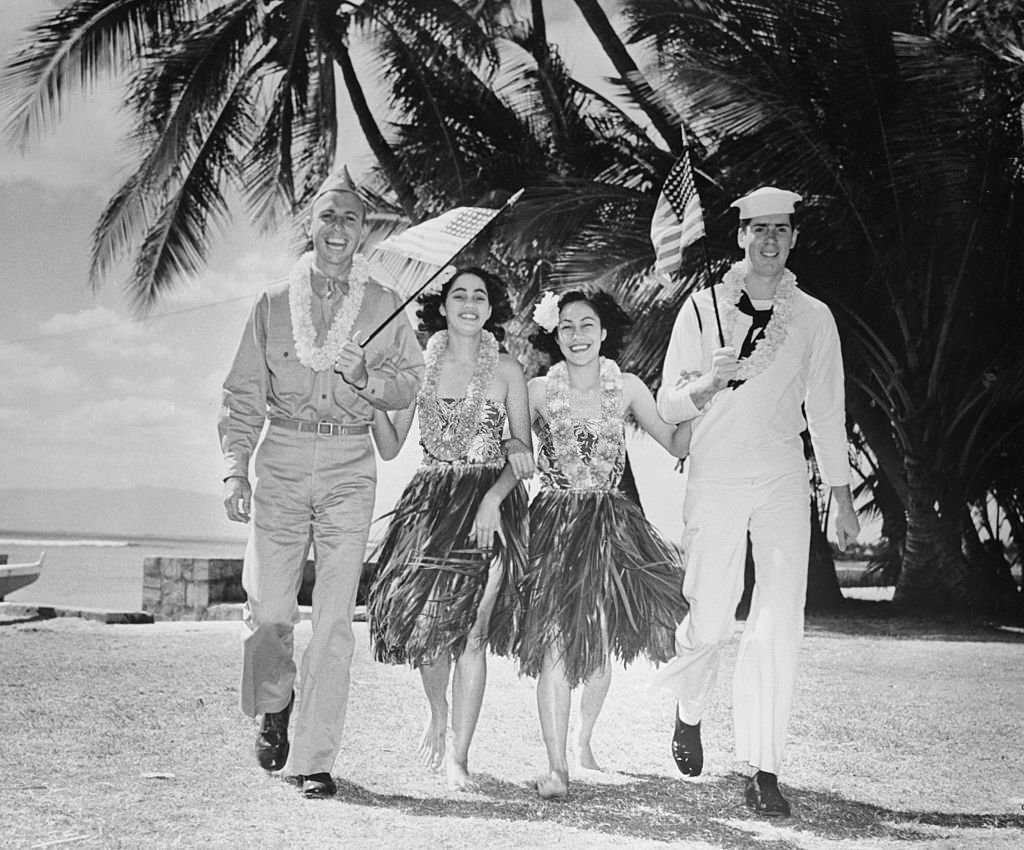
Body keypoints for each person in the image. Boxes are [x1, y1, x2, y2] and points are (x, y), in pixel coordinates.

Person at [653, 186, 860, 817]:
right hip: (714, 474)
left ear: (794, 237)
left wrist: (842, 496)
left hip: (780, 478)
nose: (768, 240)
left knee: (778, 618)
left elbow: (826, 411)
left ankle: (763, 765)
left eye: (780, 229)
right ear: (740, 236)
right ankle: (689, 713)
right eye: (756, 229)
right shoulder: (702, 308)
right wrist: (709, 381)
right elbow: (666, 405)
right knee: (710, 616)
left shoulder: (815, 317)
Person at [218, 168, 424, 800]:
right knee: (269, 614)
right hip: (279, 459)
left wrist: (367, 376)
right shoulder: (273, 303)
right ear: (310, 226)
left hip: (348, 465)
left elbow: (408, 383)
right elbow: (243, 395)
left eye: (351, 219)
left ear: (364, 232)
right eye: (328, 216)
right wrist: (234, 467)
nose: (338, 229)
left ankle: (314, 758)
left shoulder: (387, 304)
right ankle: (275, 703)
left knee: (334, 620)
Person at [519, 290, 691, 800]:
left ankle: (582, 739)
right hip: (552, 523)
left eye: (586, 324)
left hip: (610, 524)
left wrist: (705, 397)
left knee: (593, 647)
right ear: (555, 333)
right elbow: (510, 450)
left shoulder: (630, 387)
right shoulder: (535, 392)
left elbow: (677, 443)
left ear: (603, 331)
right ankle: (556, 769)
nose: (577, 335)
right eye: (567, 326)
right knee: (553, 640)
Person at [367, 267, 534, 791]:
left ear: (490, 309)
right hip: (431, 506)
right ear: (443, 306)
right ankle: (437, 710)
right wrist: (365, 391)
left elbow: (522, 453)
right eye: (458, 294)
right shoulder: (420, 366)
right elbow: (392, 446)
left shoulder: (508, 370)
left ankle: (458, 754)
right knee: (430, 629)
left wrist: (492, 498)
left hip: (490, 505)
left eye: (479, 296)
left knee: (474, 635)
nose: (468, 303)